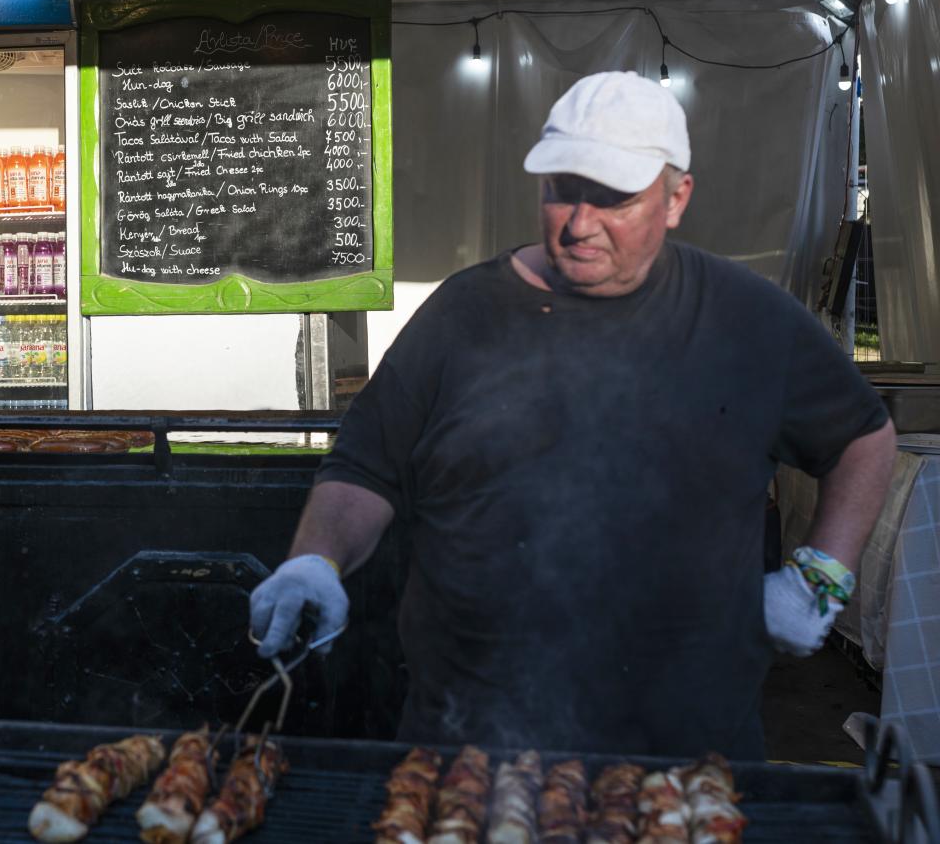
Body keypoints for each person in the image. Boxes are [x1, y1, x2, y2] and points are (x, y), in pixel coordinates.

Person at [249, 71, 895, 759]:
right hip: (469, 735)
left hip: (684, 744)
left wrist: (821, 576)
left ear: (677, 199)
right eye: (562, 190)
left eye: (614, 198)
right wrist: (316, 558)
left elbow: (862, 436)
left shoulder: (746, 320)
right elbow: (366, 465)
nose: (581, 224)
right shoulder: (461, 315)